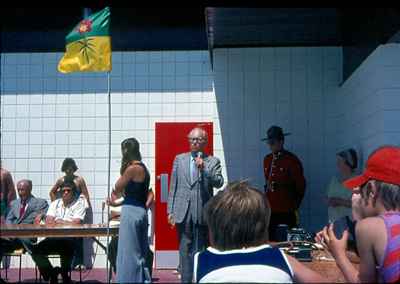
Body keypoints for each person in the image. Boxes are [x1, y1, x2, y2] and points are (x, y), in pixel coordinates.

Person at [194, 180, 326, 283]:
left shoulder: (202, 260)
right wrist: (339, 255)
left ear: (212, 231)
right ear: (264, 230)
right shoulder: (280, 258)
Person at [316, 145, 400, 283]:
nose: (357, 195)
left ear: (371, 190)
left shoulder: (369, 227)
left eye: (360, 190)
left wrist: (339, 255)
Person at [167, 127, 224, 283]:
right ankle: (185, 281)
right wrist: (170, 210)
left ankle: (200, 279)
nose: (194, 142)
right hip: (182, 211)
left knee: (199, 249)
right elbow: (173, 186)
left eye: (197, 139)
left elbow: (219, 182)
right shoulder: (180, 159)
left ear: (205, 142)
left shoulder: (212, 161)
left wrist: (204, 168)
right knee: (184, 249)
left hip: (201, 211)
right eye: (191, 139)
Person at [31, 180, 87, 284]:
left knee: (66, 249)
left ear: (73, 192)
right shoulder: (55, 203)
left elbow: (77, 223)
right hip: (53, 238)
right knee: (35, 251)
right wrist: (66, 222)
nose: (65, 193)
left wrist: (59, 221)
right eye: (63, 191)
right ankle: (52, 273)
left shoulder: (79, 204)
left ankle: (64, 275)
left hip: (69, 238)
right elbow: (48, 220)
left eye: (68, 191)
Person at [114, 137, 151, 283]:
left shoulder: (131, 169)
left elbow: (117, 187)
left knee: (128, 253)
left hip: (130, 212)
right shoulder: (144, 169)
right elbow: (140, 193)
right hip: (141, 210)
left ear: (126, 151)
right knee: (140, 251)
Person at [262, 126, 306, 241]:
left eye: (273, 142)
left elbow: (301, 186)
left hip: (287, 211)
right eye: (269, 142)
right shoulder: (267, 159)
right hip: (271, 210)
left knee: (287, 242)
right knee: (270, 241)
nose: (270, 145)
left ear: (281, 141)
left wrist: (294, 206)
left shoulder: (291, 160)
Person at [49, 157, 91, 270]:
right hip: (64, 210)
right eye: (67, 169)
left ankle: (79, 262)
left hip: (77, 209)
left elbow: (86, 194)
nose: (69, 171)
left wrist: (84, 206)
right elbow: (52, 192)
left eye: (71, 169)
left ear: (74, 169)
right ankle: (67, 264)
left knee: (78, 235)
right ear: (64, 169)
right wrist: (56, 204)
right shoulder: (61, 181)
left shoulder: (79, 180)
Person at [106, 188, 155, 277]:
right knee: (111, 247)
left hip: (134, 231)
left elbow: (151, 193)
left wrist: (145, 206)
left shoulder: (138, 197)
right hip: (120, 232)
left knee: (142, 250)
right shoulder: (122, 201)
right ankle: (120, 272)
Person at [0, 179, 48, 262]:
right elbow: (8, 220)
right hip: (12, 239)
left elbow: (46, 215)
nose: (20, 193)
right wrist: (11, 231)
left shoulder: (40, 203)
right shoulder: (13, 203)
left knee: (23, 237)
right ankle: (47, 268)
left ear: (30, 189)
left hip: (28, 237)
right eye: (18, 190)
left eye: (22, 190)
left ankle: (48, 272)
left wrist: (42, 215)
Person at [326, 148, 358, 223]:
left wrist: (339, 201)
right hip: (333, 221)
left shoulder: (356, 181)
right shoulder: (334, 180)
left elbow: (358, 204)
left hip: (349, 223)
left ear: (348, 163)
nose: (337, 163)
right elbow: (327, 197)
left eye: (340, 161)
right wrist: (329, 201)